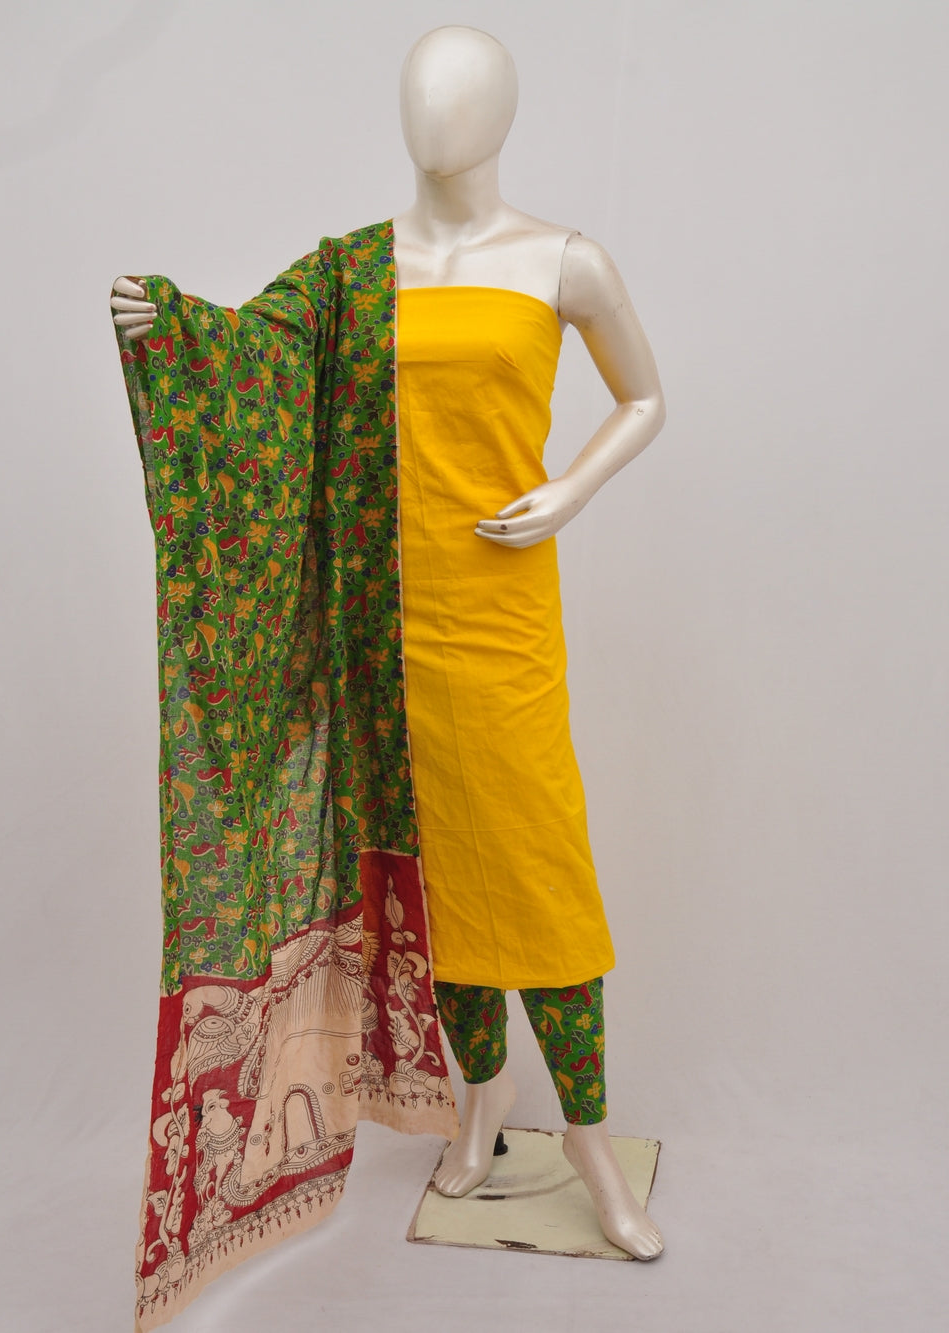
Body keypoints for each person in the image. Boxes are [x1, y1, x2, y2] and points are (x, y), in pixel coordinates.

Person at [112, 25, 666, 1307]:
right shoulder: (354, 272)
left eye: (459, 96)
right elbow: (253, 365)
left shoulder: (563, 260)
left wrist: (567, 491)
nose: (436, 116)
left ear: (501, 114)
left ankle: (590, 1143)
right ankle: (481, 1104)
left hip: (502, 620)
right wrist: (172, 327)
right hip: (382, 632)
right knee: (436, 884)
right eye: (420, 94)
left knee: (540, 883)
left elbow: (644, 398)